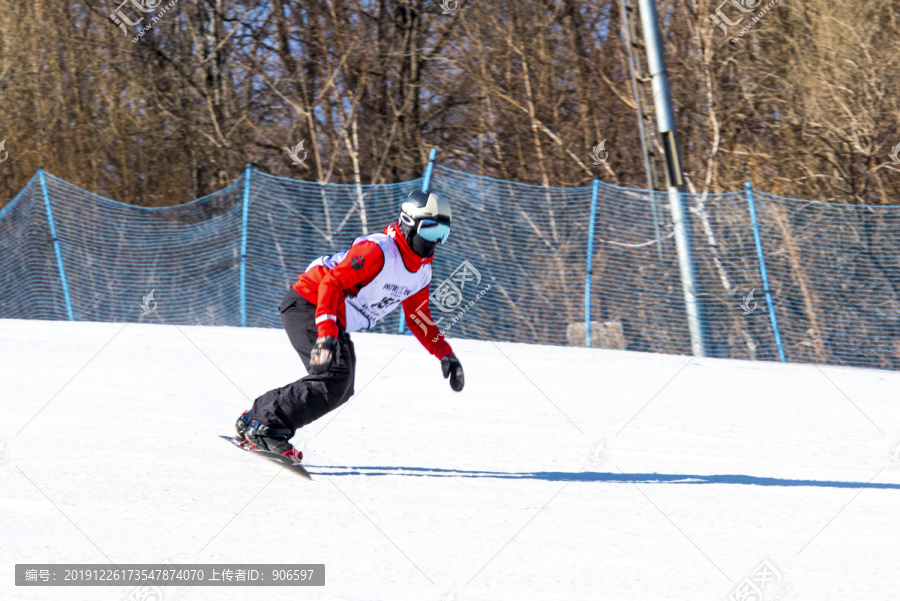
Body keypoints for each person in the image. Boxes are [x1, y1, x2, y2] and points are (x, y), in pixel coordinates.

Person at [235, 190, 465, 461]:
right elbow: (331, 284)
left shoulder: (421, 272)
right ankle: (267, 428)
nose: (435, 241)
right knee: (334, 379)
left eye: (443, 233)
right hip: (310, 302)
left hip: (331, 317)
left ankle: (255, 417)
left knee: (341, 388)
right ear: (408, 222)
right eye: (429, 230)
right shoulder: (378, 250)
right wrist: (326, 334)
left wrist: (445, 353)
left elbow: (417, 317)